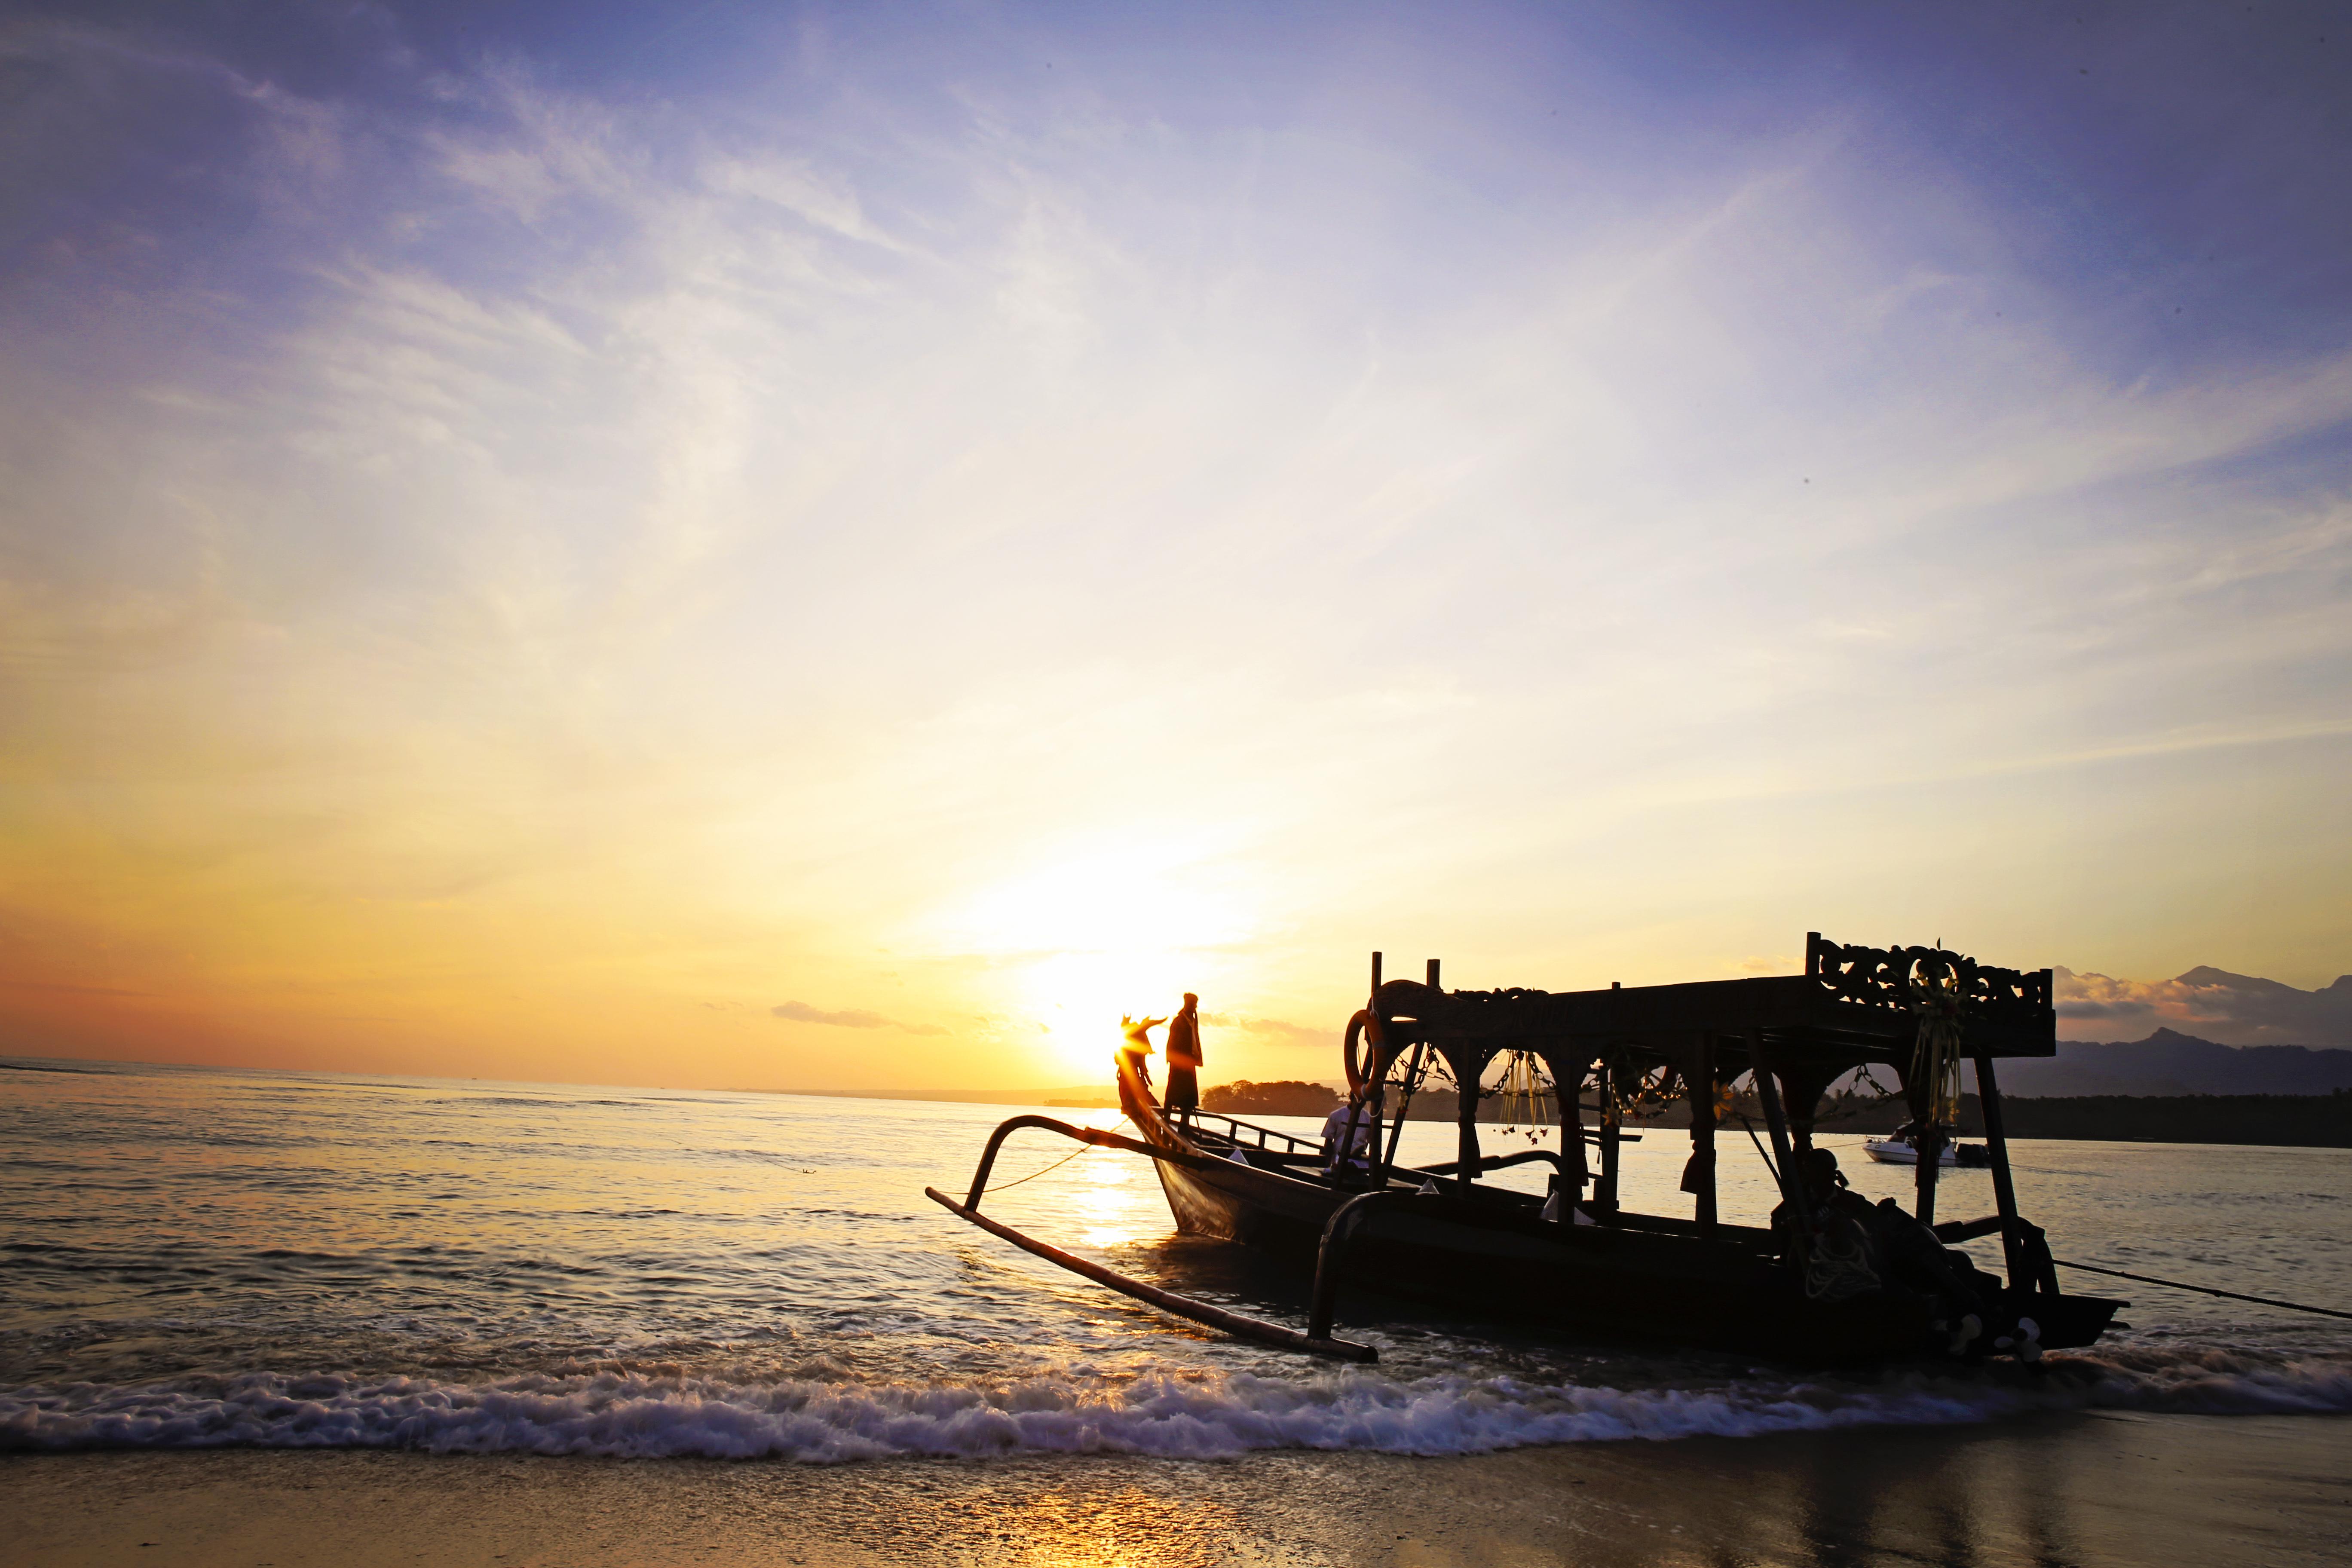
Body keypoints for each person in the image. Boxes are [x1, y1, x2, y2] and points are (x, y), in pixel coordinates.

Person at [1321, 1094, 1380, 1183]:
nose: (1362, 1103)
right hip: (1338, 1158)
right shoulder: (1337, 1115)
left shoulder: (1368, 1118)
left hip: (1359, 1159)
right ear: (1352, 1098)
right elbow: (1329, 1140)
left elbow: (1372, 1142)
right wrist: (1329, 1163)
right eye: (1359, 1100)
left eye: (1364, 1101)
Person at [1163, 994, 1204, 1115]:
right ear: (1187, 1005)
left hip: (1190, 1062)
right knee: (1173, 1091)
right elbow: (1172, 1044)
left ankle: (1184, 1124)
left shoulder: (1192, 1021)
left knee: (1189, 1096)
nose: (1195, 1007)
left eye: (1195, 1005)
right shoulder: (1179, 1022)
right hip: (1179, 1064)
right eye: (1193, 1004)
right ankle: (1167, 1117)